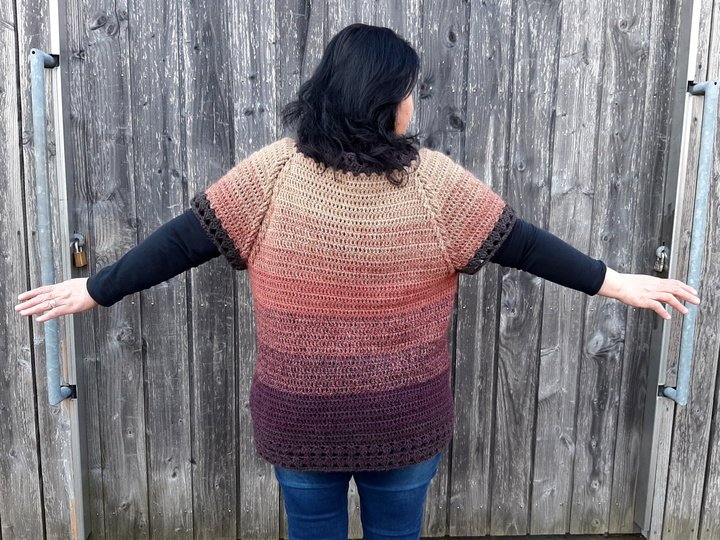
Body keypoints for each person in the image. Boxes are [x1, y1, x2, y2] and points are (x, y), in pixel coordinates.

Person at [16, 23, 698, 540]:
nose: (413, 103)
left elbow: (179, 242)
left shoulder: (273, 173)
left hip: (305, 416)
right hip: (400, 416)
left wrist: (95, 290)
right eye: (409, 91)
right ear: (384, 99)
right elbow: (526, 246)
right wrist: (616, 284)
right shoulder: (432, 184)